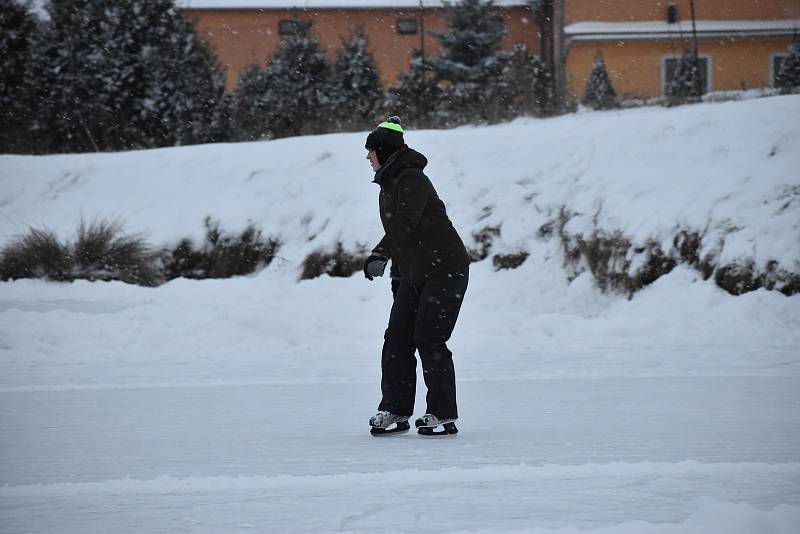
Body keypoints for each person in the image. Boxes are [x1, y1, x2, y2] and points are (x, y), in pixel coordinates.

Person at [362, 116, 470, 436]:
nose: (367, 157)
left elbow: (404, 224)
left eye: (370, 151)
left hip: (445, 269)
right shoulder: (388, 184)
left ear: (383, 151)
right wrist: (398, 278)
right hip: (414, 272)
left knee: (428, 337)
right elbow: (406, 238)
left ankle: (442, 412)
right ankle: (395, 409)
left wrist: (380, 253)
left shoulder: (411, 179)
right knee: (396, 337)